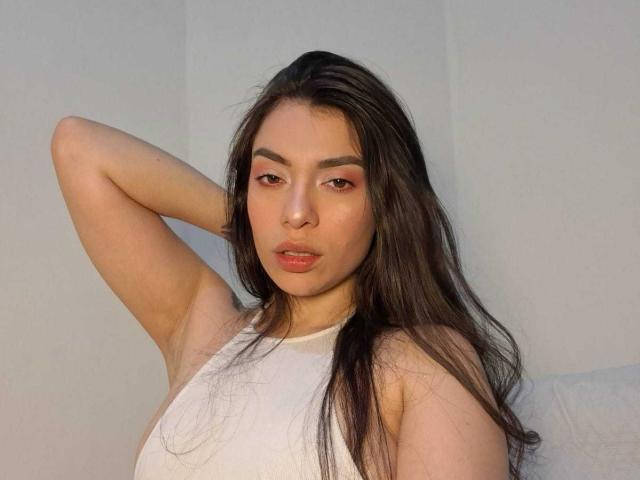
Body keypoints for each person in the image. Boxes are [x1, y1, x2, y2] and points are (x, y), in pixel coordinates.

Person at [51, 50, 540, 480]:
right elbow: (79, 148)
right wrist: (248, 224)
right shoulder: (205, 332)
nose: (297, 213)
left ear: (387, 202)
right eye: (271, 178)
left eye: (338, 182)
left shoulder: (421, 362)